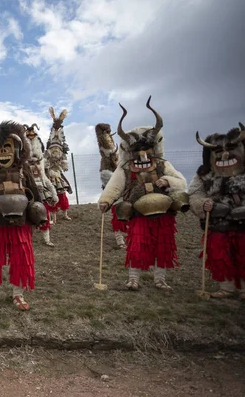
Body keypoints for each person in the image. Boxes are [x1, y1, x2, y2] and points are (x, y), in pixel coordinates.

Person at [98, 97, 188, 291]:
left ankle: (160, 279)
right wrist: (106, 200)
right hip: (138, 212)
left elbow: (181, 181)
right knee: (137, 245)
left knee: (162, 247)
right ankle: (133, 279)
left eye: (146, 149)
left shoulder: (163, 164)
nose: (143, 154)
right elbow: (115, 185)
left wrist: (168, 181)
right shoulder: (125, 167)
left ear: (153, 148)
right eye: (138, 150)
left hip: (163, 213)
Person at [0, 121, 47, 311]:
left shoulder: (23, 169)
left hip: (20, 223)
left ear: (17, 148)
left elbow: (35, 192)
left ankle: (18, 294)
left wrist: (40, 211)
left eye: (7, 147)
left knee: (21, 258)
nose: (3, 152)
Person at [188, 123, 245, 299]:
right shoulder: (204, 175)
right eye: (218, 151)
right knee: (220, 255)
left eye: (231, 148)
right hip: (217, 223)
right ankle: (226, 288)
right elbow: (195, 193)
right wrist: (203, 204)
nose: (225, 154)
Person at [95, 123, 128, 249]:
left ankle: (128, 237)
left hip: (117, 174)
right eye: (107, 132)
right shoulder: (106, 148)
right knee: (118, 208)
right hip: (110, 176)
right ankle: (120, 240)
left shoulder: (115, 152)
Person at [24, 123, 58, 246]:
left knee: (44, 215)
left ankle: (47, 239)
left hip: (42, 193)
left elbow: (46, 181)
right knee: (28, 216)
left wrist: (54, 194)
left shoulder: (41, 168)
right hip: (29, 192)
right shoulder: (25, 168)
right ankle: (28, 238)